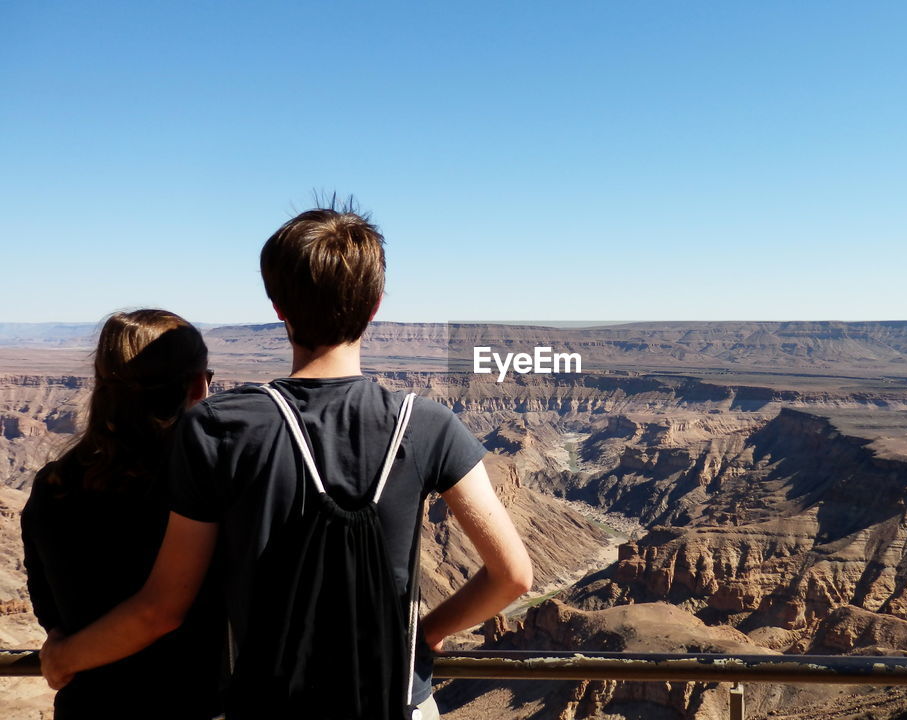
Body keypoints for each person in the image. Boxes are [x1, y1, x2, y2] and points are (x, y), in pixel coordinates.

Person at [38, 203, 533, 719]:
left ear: (277, 306)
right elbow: (513, 576)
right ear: (375, 305)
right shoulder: (429, 424)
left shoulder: (216, 427)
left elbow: (163, 607)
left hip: (272, 702)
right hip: (394, 699)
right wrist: (422, 636)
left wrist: (66, 656)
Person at [22, 309, 222, 719]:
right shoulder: (211, 489)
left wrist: (67, 654)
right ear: (198, 386)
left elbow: (49, 607)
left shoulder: (52, 486)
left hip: (91, 704)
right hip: (195, 704)